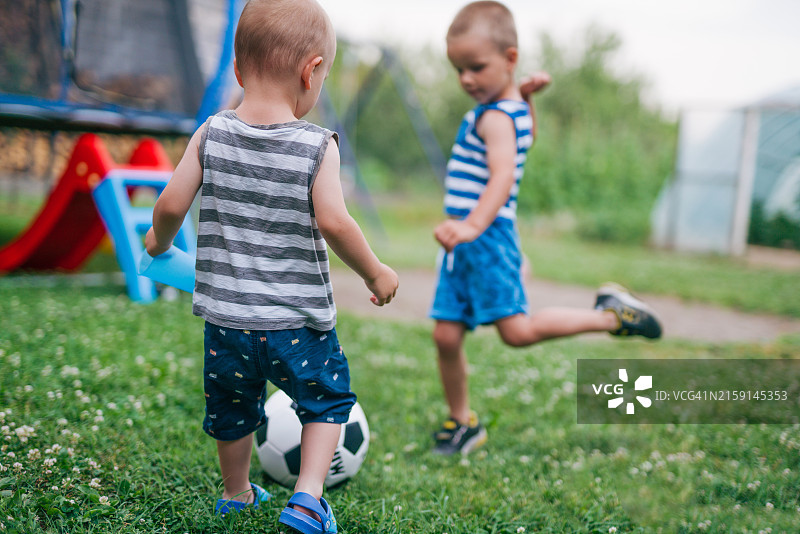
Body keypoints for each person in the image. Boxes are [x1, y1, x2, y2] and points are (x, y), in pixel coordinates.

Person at [144, 0, 399, 531]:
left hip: (227, 324)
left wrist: (157, 242)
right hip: (297, 326)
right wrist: (375, 272)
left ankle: (236, 493)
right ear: (311, 71)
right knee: (326, 402)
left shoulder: (211, 133)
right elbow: (335, 222)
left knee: (232, 408)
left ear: (238, 69)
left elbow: (169, 205)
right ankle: (307, 496)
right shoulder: (316, 146)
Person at [429, 0, 661, 456]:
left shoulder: (495, 116)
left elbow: (502, 176)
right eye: (459, 69)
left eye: (476, 67)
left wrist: (472, 225)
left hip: (484, 238)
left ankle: (612, 316)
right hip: (466, 245)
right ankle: (462, 422)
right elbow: (527, 140)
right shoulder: (507, 108)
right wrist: (526, 98)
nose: (467, 79)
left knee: (516, 333)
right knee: (446, 335)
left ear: (510, 59)